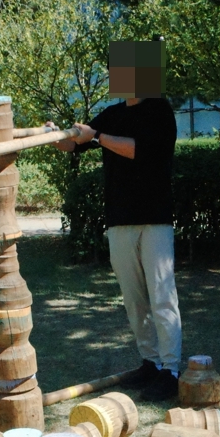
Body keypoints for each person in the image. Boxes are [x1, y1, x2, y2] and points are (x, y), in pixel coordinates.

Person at [48, 39, 182, 401]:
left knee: (162, 296)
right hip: (119, 219)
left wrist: (97, 136)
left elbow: (138, 149)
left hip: (154, 219)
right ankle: (150, 362)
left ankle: (171, 370)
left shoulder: (160, 111)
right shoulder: (112, 113)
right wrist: (55, 135)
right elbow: (74, 144)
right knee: (133, 299)